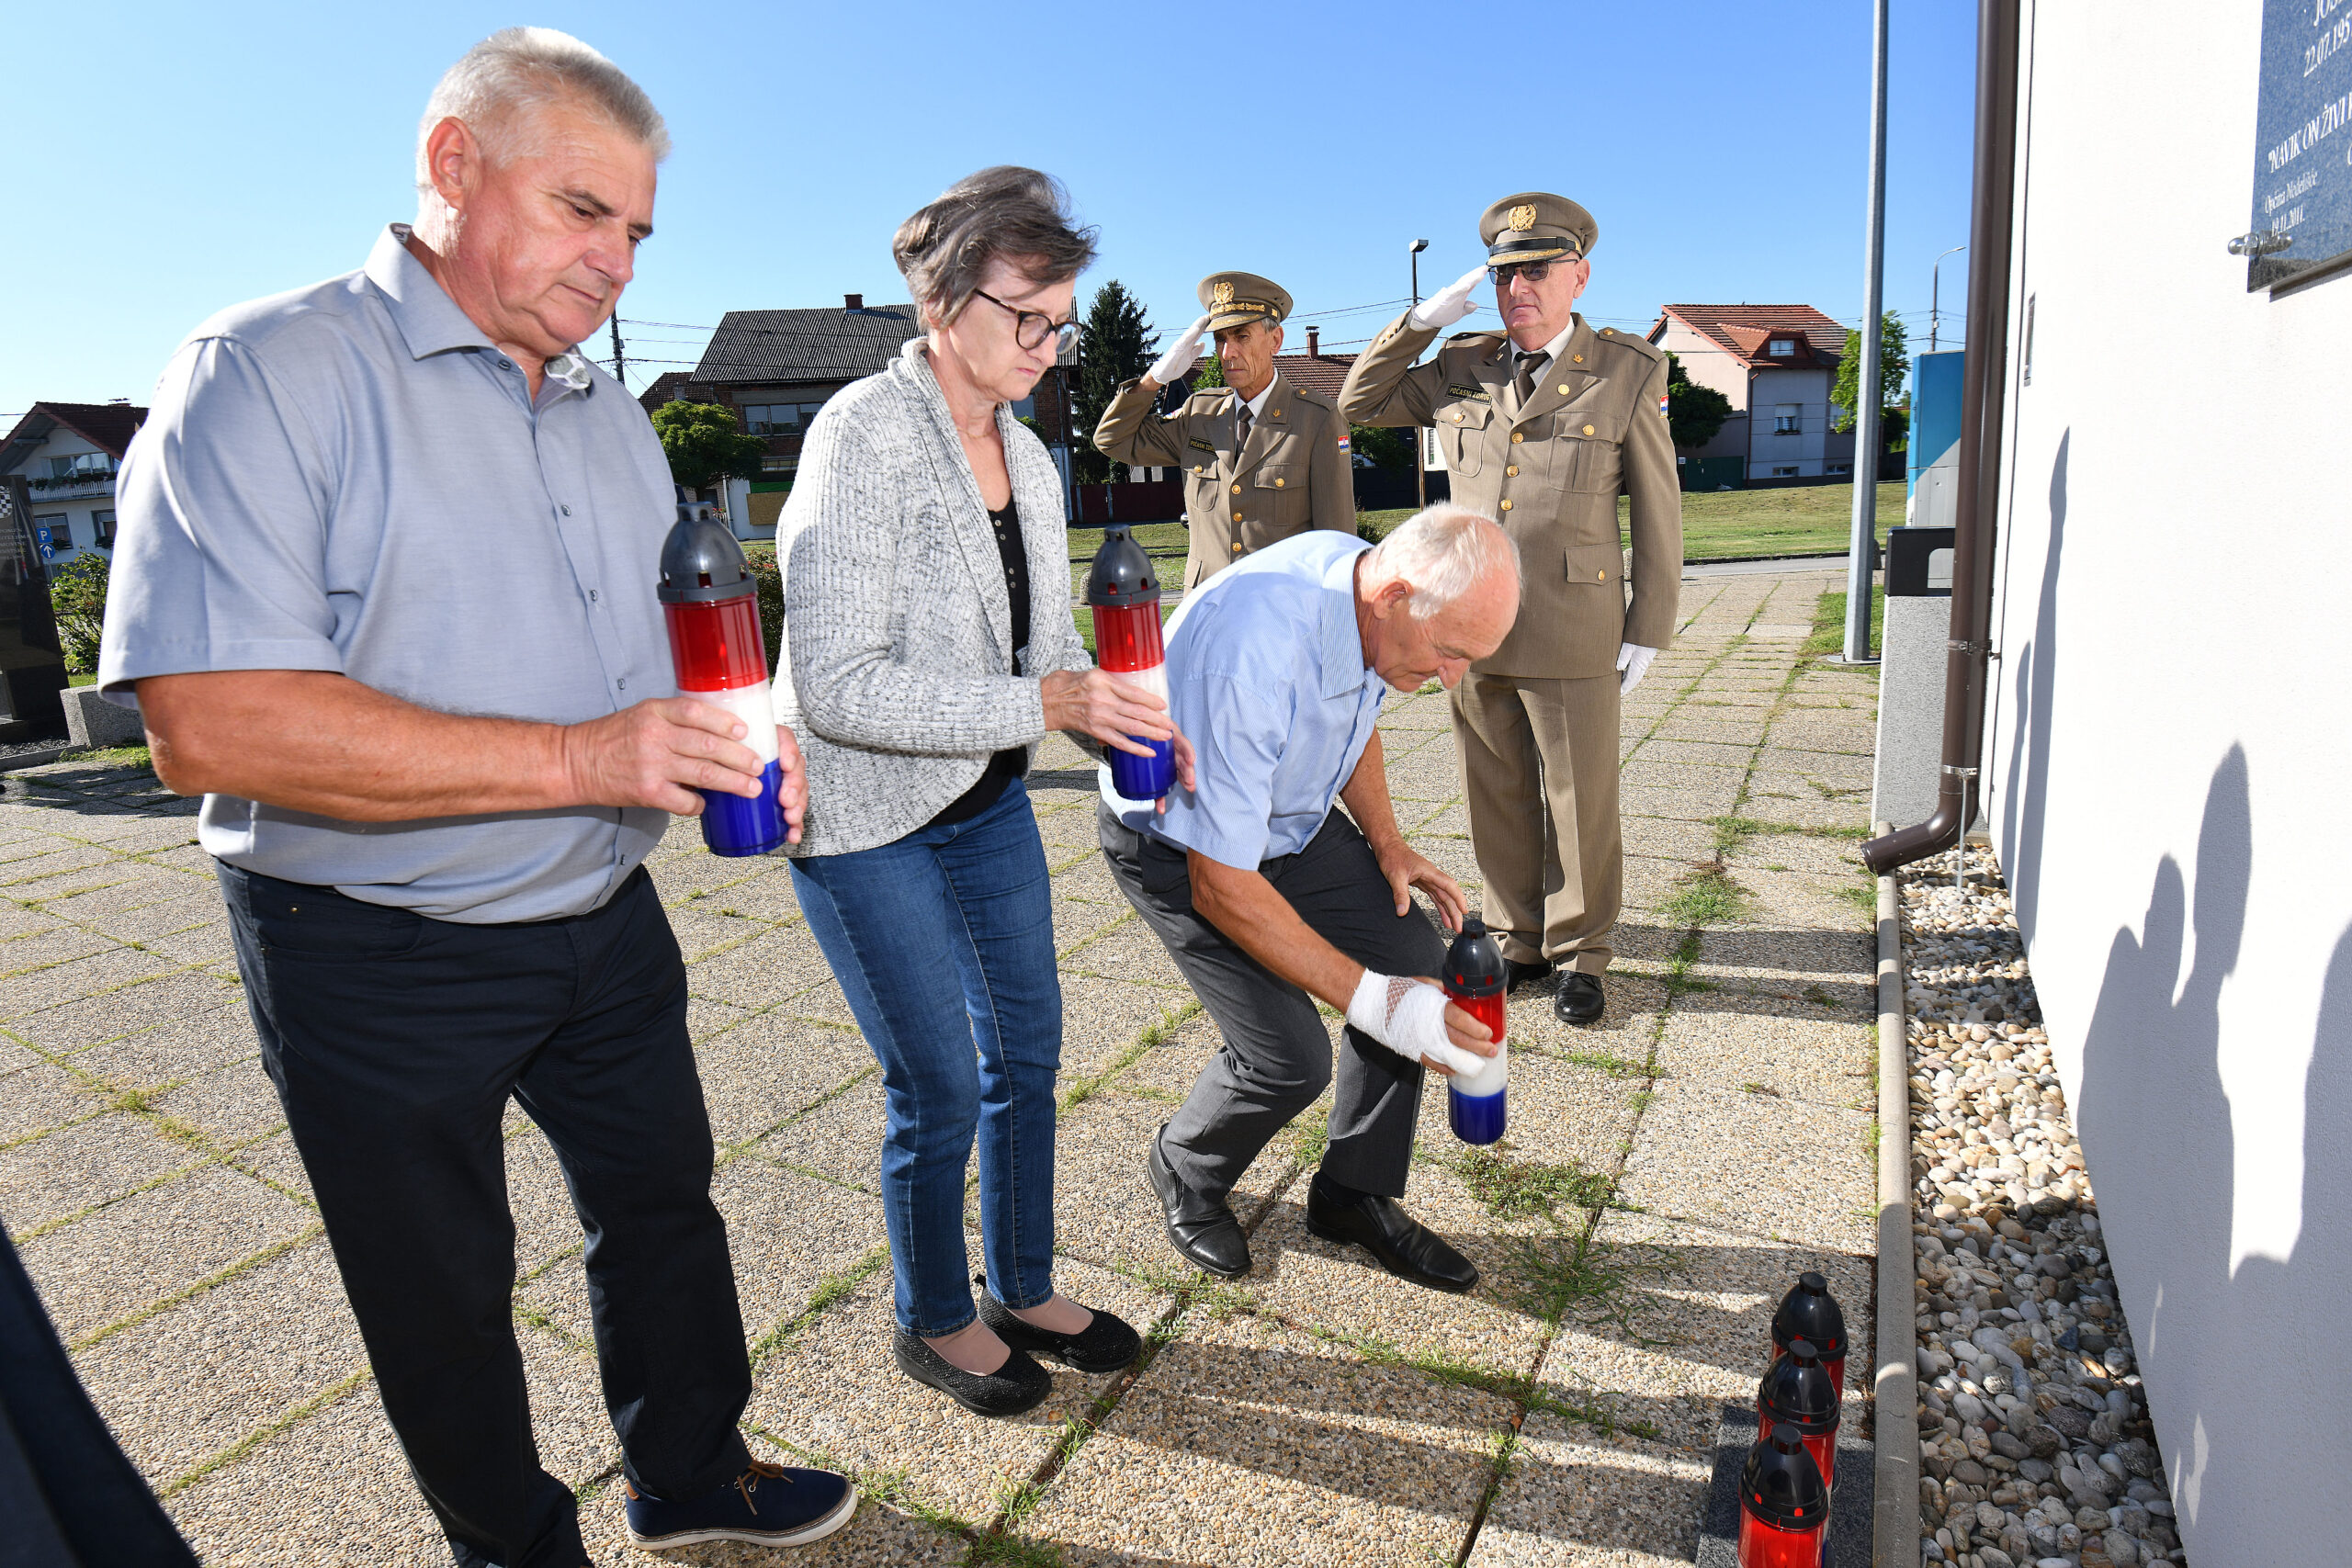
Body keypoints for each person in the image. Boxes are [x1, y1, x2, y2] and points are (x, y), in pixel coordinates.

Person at [96, 29, 853, 1564]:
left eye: (637, 231)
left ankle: (693, 1470)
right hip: (373, 943)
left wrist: (748, 733)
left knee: (665, 1214)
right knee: (438, 1289)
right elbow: (203, 721)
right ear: (451, 163)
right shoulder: (263, 371)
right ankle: (515, 1545)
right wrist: (582, 758)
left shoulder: (601, 403)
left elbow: (670, 644)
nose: (618, 264)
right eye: (584, 211)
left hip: (602, 912)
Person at [775, 167, 1170, 1419]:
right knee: (937, 1080)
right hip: (865, 817)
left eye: (1062, 319)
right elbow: (838, 685)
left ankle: (1026, 1282)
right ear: (941, 301)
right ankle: (935, 1313)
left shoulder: (1033, 457)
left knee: (1029, 1049)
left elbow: (1049, 649)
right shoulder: (860, 435)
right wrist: (1050, 707)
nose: (1051, 348)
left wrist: (1117, 713)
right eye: (1027, 318)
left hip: (986, 801)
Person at [1099, 506, 1519, 1289]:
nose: (1453, 677)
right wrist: (1382, 1004)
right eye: (1452, 652)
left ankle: (1351, 1191)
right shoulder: (1250, 652)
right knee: (1290, 1057)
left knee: (1418, 960)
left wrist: (1389, 844)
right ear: (1394, 595)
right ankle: (1186, 1165)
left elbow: (1351, 717)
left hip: (1287, 823)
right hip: (1179, 847)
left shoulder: (1370, 592)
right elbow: (1219, 884)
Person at [1341, 193, 1682, 1027]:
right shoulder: (1466, 365)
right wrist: (1421, 322)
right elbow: (1357, 402)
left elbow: (1659, 507)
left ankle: (1581, 950)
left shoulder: (1625, 369)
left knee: (1579, 797)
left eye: (1537, 270)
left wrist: (1649, 624)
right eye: (1504, 274)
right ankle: (1519, 935)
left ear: (1580, 275)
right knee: (1492, 786)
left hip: (1574, 621)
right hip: (1467, 627)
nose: (1519, 287)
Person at [1092, 272, 1355, 589]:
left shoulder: (1318, 420)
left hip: (1281, 618)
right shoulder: (1199, 413)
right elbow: (1112, 439)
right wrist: (1154, 380)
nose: (1228, 353)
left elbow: (1336, 543)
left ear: (1275, 340)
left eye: (1242, 336)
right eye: (1221, 339)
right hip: (1207, 611)